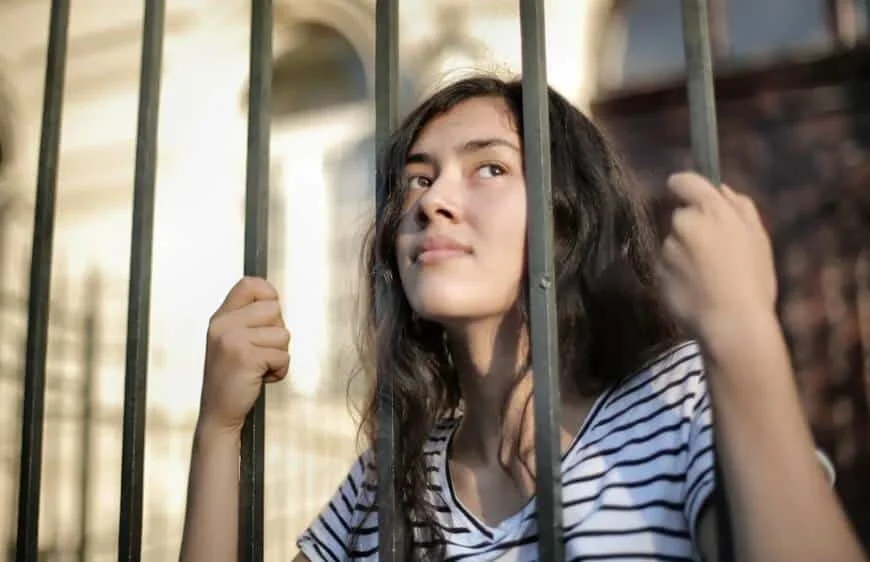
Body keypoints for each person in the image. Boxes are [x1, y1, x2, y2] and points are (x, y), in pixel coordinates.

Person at [179, 75, 867, 562]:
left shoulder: (672, 400)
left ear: (568, 218)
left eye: (488, 169)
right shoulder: (386, 481)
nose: (432, 200)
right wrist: (217, 431)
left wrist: (743, 334)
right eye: (418, 178)